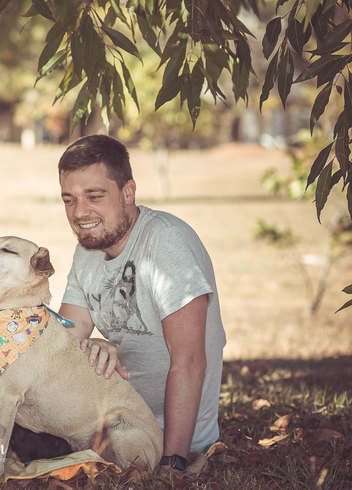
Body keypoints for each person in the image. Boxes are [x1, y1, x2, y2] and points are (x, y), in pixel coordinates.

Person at [55, 135, 226, 475]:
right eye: (69, 200)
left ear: (128, 192)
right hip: (111, 423)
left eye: (94, 196)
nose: (80, 213)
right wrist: (89, 345)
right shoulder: (88, 250)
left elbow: (189, 362)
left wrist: (172, 463)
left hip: (167, 437)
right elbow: (63, 341)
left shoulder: (166, 244)